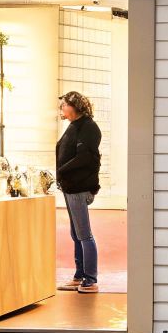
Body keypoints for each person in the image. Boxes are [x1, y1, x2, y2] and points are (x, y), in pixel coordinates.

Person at [55, 91, 101, 293]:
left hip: (79, 187)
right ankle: (79, 275)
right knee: (76, 234)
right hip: (70, 187)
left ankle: (90, 279)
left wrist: (61, 170)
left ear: (74, 106)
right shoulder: (74, 126)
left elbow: (86, 158)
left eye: (64, 105)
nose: (62, 109)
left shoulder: (89, 127)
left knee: (84, 234)